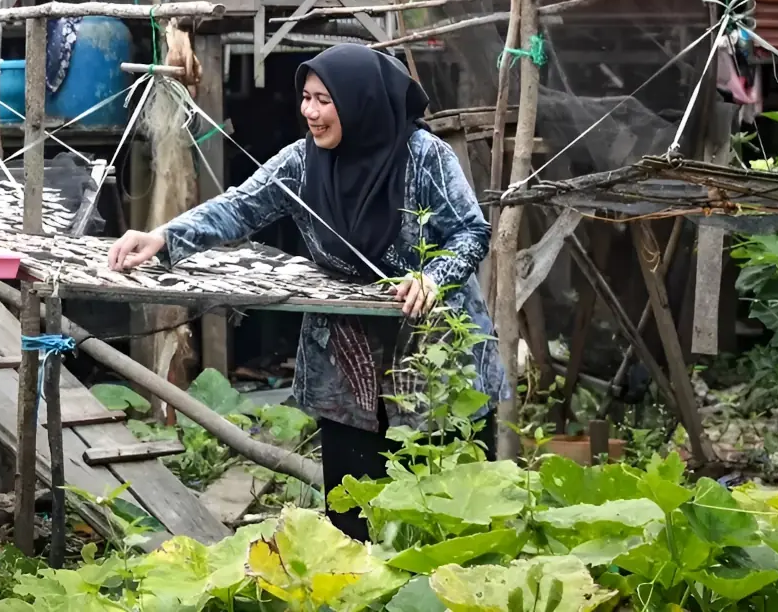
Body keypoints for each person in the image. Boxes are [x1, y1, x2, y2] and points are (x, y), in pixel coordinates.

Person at [107, 43, 505, 541]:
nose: (309, 113)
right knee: (352, 522)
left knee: (453, 515)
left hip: (438, 358)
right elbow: (238, 207)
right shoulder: (301, 163)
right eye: (306, 98)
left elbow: (471, 232)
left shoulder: (424, 158)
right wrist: (164, 238)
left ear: (360, 101)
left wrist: (432, 276)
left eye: (323, 100)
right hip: (346, 367)